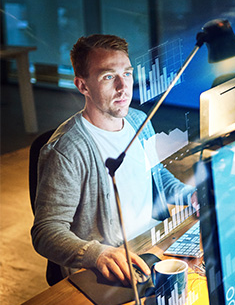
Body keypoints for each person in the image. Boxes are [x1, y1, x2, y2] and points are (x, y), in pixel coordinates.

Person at [31, 34, 196, 284]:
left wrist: (189, 195)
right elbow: (46, 232)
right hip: (108, 264)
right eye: (108, 77)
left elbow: (156, 174)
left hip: (152, 245)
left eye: (127, 74)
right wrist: (97, 254)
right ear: (83, 86)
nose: (123, 86)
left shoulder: (138, 121)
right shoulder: (66, 150)